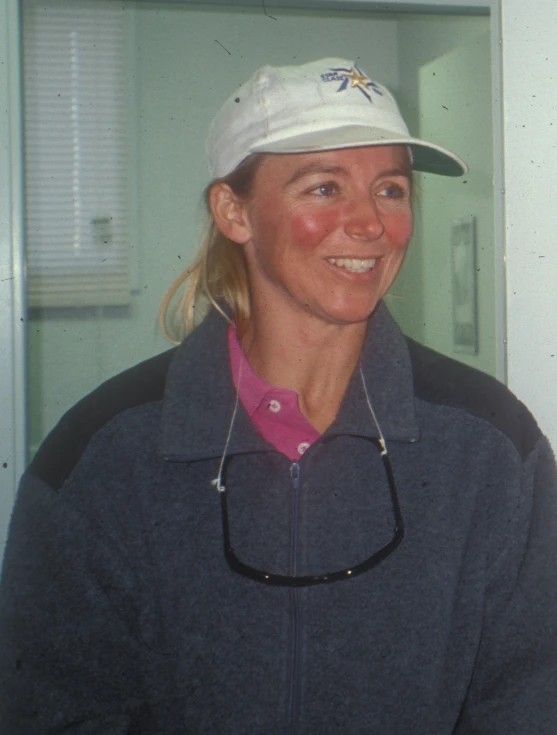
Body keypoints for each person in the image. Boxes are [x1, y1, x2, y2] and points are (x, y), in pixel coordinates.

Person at [1, 57, 556, 734]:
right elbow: (52, 708)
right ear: (233, 211)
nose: (369, 223)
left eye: (390, 188)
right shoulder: (102, 455)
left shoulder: (491, 446)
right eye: (323, 188)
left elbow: (532, 698)